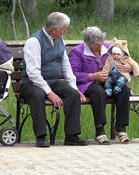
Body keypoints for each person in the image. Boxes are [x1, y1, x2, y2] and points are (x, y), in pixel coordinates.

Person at [20, 12, 88, 148]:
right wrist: (49, 92)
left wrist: (74, 88)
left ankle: (72, 136)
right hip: (31, 84)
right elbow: (33, 74)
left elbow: (66, 66)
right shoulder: (34, 42)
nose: (65, 31)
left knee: (73, 94)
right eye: (64, 29)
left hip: (53, 82)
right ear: (54, 30)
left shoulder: (59, 40)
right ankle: (41, 136)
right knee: (38, 94)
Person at [68, 27, 139, 145]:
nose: (100, 46)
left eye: (101, 42)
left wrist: (129, 68)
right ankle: (99, 130)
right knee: (99, 92)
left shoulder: (109, 48)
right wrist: (92, 76)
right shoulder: (77, 52)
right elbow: (73, 73)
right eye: (96, 45)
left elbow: (126, 60)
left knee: (124, 90)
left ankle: (120, 127)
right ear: (87, 43)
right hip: (89, 84)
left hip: (111, 80)